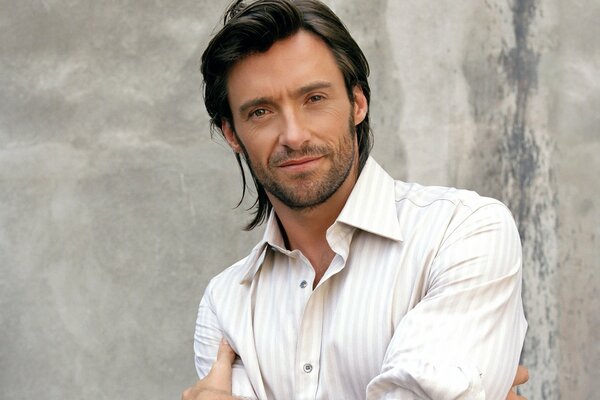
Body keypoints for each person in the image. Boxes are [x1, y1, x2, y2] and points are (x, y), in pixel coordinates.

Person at [184, 0, 528, 398]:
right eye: (261, 111)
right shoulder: (226, 305)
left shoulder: (464, 231)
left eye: (314, 99)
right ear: (232, 133)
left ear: (358, 103)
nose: (293, 135)